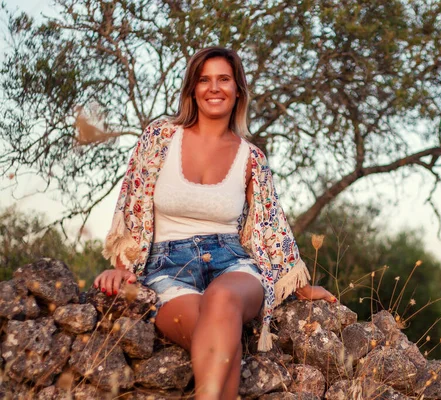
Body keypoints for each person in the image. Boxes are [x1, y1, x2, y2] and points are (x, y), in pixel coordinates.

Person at [93, 47, 336, 400]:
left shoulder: (252, 158)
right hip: (166, 268)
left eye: (224, 79)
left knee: (223, 302)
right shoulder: (161, 137)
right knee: (222, 339)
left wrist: (298, 288)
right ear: (193, 89)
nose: (214, 88)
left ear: (238, 90)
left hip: (233, 264)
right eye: (204, 80)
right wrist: (122, 267)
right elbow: (132, 206)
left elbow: (270, 228)